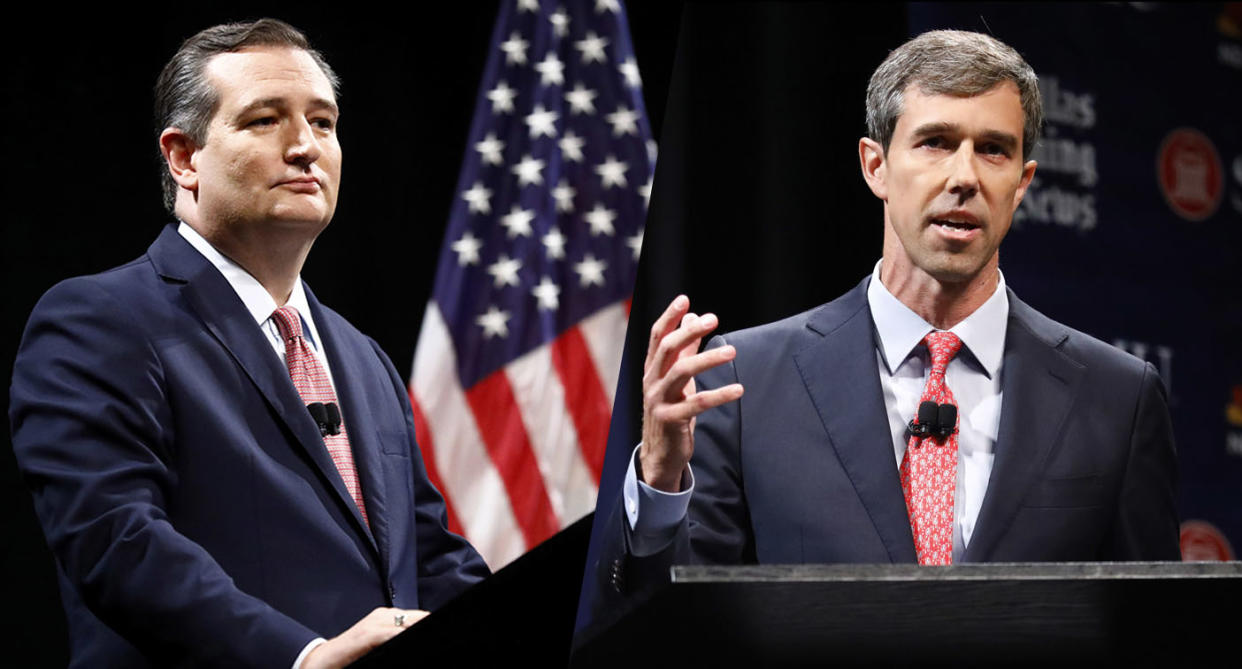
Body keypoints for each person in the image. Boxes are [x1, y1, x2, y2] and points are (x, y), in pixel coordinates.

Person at [596, 29, 1179, 603]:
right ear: (875, 166)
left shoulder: (1117, 397)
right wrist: (660, 480)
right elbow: (675, 633)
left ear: (1022, 182)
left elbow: (1156, 633)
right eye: (935, 142)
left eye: (993, 149)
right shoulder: (744, 381)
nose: (964, 177)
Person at [10, 19, 488, 668]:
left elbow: (428, 560)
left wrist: (643, 500)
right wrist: (302, 657)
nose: (305, 147)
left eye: (323, 122)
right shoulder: (99, 321)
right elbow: (116, 540)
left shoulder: (362, 357)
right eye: (266, 119)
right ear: (184, 157)